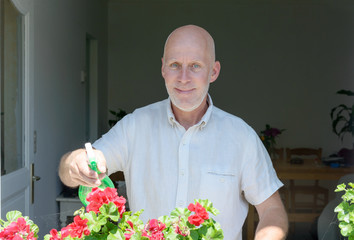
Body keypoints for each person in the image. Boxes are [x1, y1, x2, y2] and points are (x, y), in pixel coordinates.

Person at [59, 24, 288, 239]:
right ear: (163, 68)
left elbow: (272, 210)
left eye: (195, 66)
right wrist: (75, 163)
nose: (184, 77)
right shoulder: (135, 126)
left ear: (214, 71)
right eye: (175, 65)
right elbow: (72, 169)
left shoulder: (242, 137)